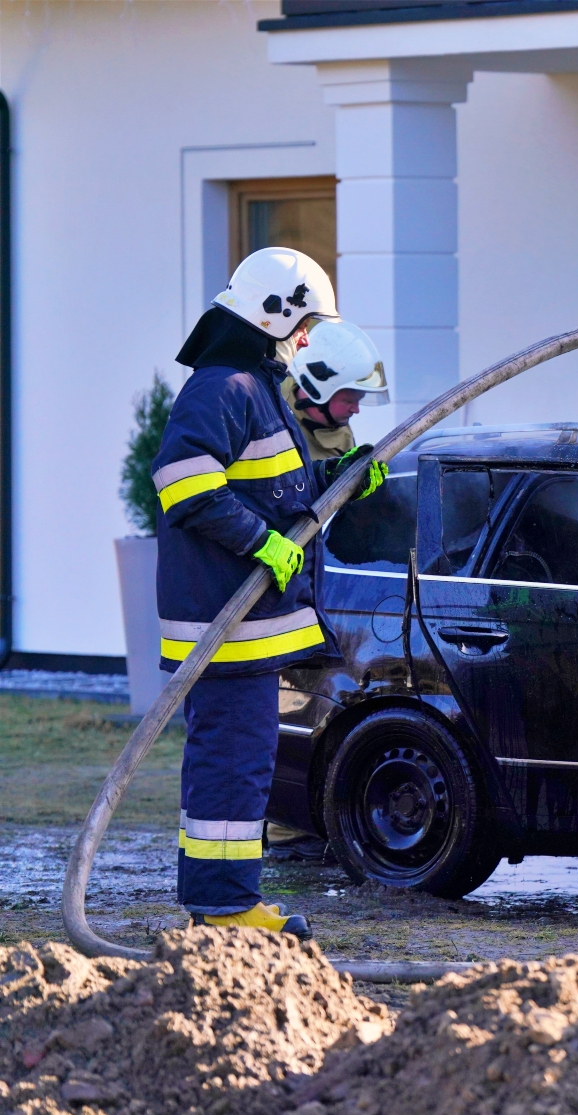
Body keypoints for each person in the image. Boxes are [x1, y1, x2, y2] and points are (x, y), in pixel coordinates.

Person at [154, 247, 387, 936]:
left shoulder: (257, 390)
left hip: (247, 626)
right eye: (306, 323)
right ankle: (224, 908)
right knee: (230, 767)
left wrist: (336, 484)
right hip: (224, 624)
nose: (309, 338)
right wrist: (261, 544)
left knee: (244, 765)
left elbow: (279, 494)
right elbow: (182, 485)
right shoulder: (222, 388)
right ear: (274, 313)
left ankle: (224, 902)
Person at [283, 317, 390, 461]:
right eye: (348, 401)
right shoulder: (277, 421)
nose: (356, 410)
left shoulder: (338, 427)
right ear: (317, 393)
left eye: (358, 400)